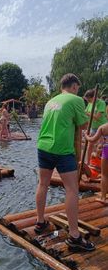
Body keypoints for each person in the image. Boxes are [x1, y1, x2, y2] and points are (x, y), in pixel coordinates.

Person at [35, 73, 95, 251]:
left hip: (43, 145)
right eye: (78, 88)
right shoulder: (76, 99)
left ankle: (40, 222)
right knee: (71, 189)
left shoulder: (50, 101)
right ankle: (75, 236)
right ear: (75, 86)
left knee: (43, 184)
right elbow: (83, 125)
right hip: (62, 149)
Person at [85, 122, 108, 205]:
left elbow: (92, 139)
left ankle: (103, 198)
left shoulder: (103, 127)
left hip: (107, 149)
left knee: (104, 175)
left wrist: (86, 136)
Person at [84, 89, 107, 163]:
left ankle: (102, 163)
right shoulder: (90, 104)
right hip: (93, 128)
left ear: (94, 97)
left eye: (89, 99)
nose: (88, 101)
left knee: (101, 146)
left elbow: (97, 117)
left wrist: (87, 113)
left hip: (102, 128)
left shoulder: (101, 103)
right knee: (90, 145)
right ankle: (88, 162)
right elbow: (86, 114)